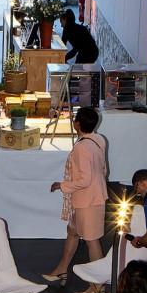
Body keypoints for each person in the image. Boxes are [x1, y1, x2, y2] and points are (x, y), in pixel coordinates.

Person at [45, 107, 107, 283]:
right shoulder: (99, 139)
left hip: (88, 200)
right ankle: (62, 269)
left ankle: (97, 285)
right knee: (72, 231)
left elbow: (85, 179)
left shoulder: (82, 147)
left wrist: (62, 185)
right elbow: (103, 169)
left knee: (91, 241)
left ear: (77, 124)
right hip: (91, 197)